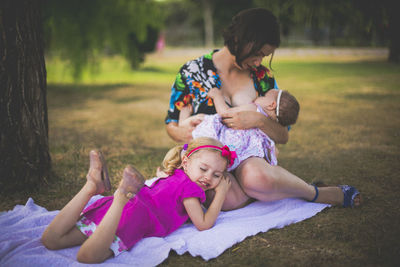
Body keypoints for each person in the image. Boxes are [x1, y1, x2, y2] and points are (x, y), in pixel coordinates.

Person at [164, 7, 361, 211]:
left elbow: (283, 136)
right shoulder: (191, 72)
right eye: (257, 54)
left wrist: (258, 121)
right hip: (208, 164)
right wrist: (184, 130)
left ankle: (315, 193)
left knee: (256, 178)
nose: (258, 62)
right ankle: (267, 191)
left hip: (248, 161)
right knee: (213, 192)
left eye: (264, 56)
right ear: (240, 39)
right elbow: (171, 125)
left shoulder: (262, 77)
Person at [41, 137, 234, 263]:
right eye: (204, 169)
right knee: (88, 257)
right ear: (186, 162)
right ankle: (119, 197)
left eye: (217, 175)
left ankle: (91, 187)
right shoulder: (190, 189)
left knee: (51, 240)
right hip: (135, 219)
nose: (208, 178)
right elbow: (203, 223)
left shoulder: (174, 175)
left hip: (121, 210)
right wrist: (221, 192)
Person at [180, 87, 299, 171]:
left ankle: (183, 121)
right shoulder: (269, 127)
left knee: (203, 120)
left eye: (264, 96)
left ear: (271, 105)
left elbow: (225, 113)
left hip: (226, 140)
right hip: (242, 156)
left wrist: (217, 96)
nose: (259, 96)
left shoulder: (255, 109)